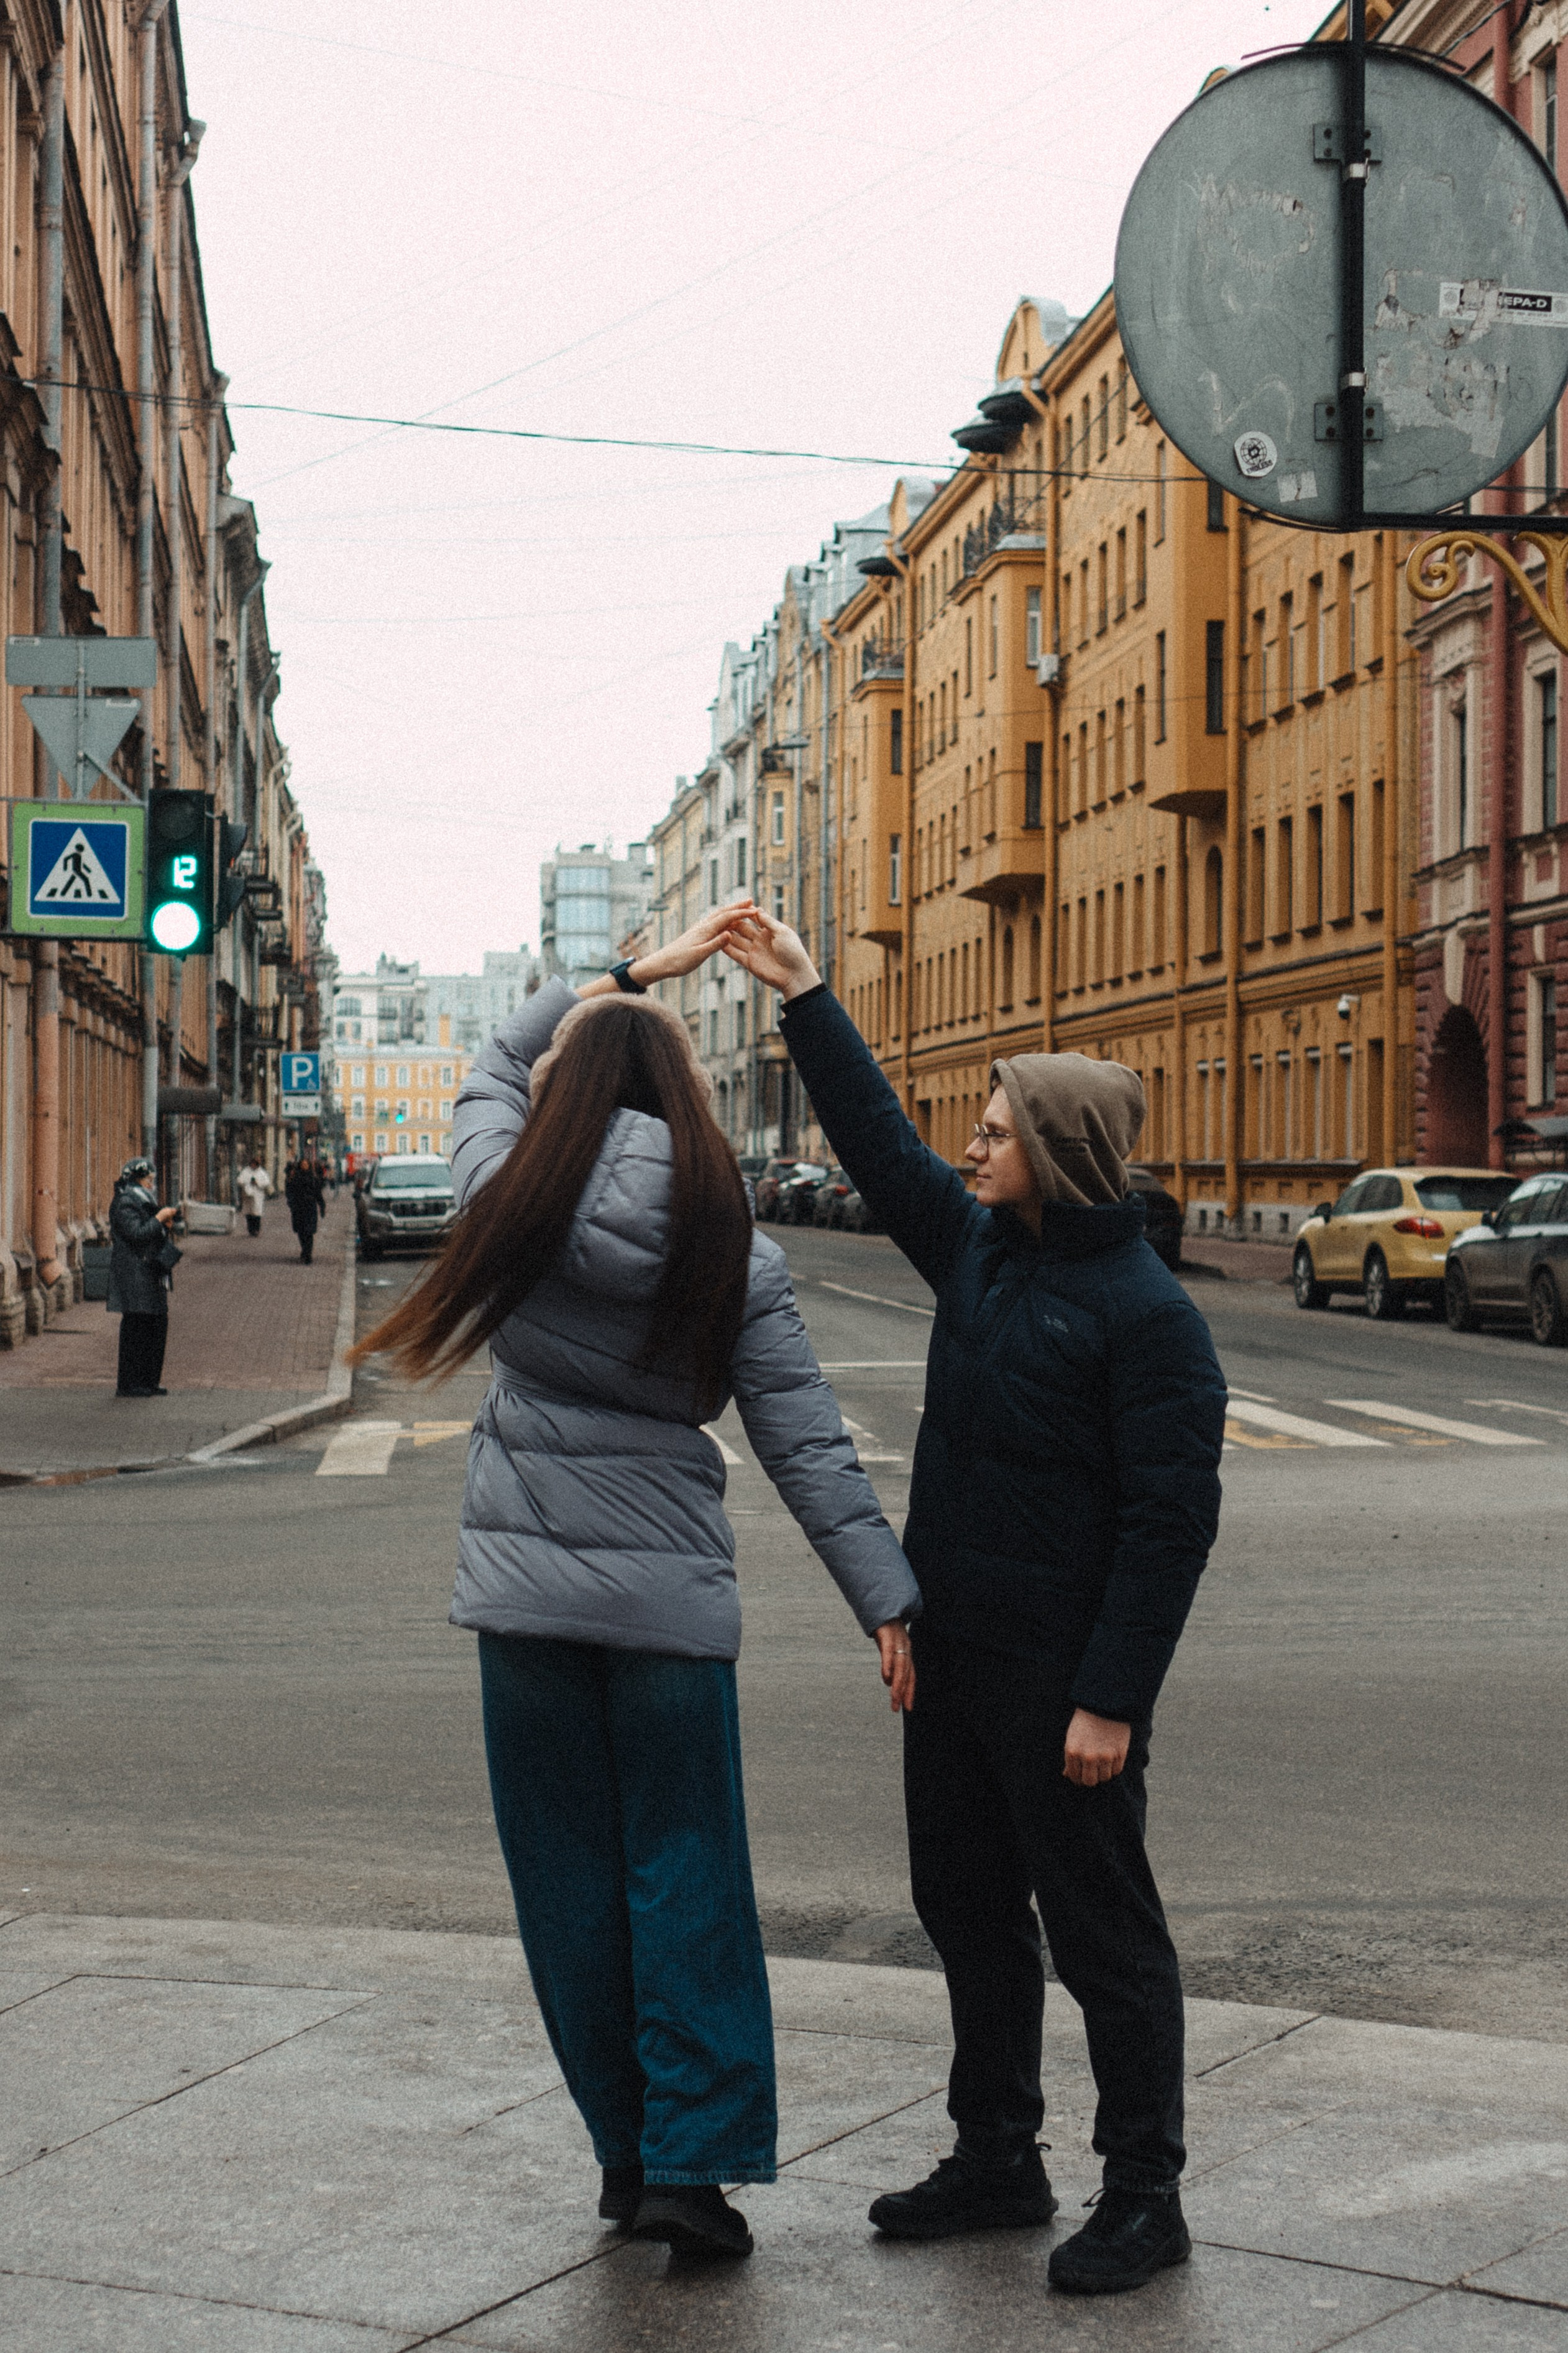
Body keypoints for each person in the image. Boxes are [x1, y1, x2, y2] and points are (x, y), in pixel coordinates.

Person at [353, 906, 919, 2263]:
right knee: (689, 1879)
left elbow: (496, 1057)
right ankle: (692, 2165)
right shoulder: (733, 1235)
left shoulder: (507, 1196)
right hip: (669, 1614)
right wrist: (886, 1597)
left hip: (523, 1610)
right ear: (685, 1093)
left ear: (563, 1092)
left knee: (568, 1885)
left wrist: (623, 979)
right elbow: (804, 1444)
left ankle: (621, 2147)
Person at [722, 907, 1226, 2299]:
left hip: (1065, 1686)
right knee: (964, 1908)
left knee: (1104, 1939)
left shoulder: (1146, 1315)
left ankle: (1145, 2191)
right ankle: (997, 2152)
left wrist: (1110, 1696)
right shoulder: (984, 1256)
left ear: (1052, 1153)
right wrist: (808, 997)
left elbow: (1169, 1522)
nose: (971, 1145)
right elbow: (880, 1149)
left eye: (995, 1130)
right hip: (952, 1664)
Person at [107, 1158, 180, 1398]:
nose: (152, 1183)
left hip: (151, 1272)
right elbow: (137, 1234)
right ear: (137, 1179)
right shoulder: (125, 1202)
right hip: (135, 1274)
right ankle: (130, 1384)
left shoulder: (142, 1200)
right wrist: (159, 1219)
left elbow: (148, 1231)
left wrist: (163, 1224)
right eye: (148, 1179)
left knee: (157, 1325)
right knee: (137, 1328)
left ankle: (149, 1381)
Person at [284, 1154, 321, 1264]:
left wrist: (322, 1205)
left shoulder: (313, 1178)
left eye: (306, 1164)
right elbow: (289, 1191)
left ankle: (308, 1253)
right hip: (298, 1208)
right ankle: (304, 1249)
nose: (305, 1166)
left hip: (310, 1208)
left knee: (309, 1232)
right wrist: (291, 1203)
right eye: (303, 1164)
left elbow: (318, 1193)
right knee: (301, 1231)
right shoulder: (295, 1178)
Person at [237, 1153, 272, 1237]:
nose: (253, 1166)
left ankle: (256, 1229)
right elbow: (239, 1180)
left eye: (255, 1164)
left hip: (258, 1195)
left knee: (256, 1213)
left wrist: (258, 1183)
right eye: (252, 1164)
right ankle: (251, 1230)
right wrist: (246, 1183)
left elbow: (267, 1182)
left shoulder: (262, 1173)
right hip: (248, 1195)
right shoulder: (246, 1171)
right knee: (249, 1213)